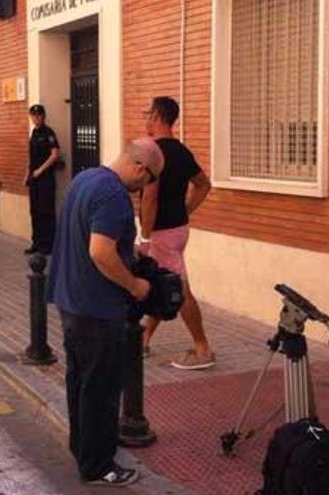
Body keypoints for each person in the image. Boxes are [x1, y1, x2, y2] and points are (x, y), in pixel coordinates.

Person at [47, 138, 163, 487]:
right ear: (141, 169)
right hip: (97, 306)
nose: (144, 189)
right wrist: (134, 285)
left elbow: (90, 238)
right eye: (148, 181)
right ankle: (98, 466)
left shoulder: (85, 179)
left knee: (80, 380)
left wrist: (130, 255)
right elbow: (100, 252)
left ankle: (82, 447)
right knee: (102, 388)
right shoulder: (114, 195)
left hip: (71, 300)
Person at [139, 96, 214, 370]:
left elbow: (150, 198)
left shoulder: (152, 152)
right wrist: (185, 210)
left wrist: (145, 236)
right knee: (165, 281)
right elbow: (204, 184)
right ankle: (144, 338)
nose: (146, 119)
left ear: (157, 116)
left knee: (178, 288)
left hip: (161, 232)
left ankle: (202, 348)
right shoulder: (181, 150)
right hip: (178, 229)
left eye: (148, 114)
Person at [24, 104, 60, 255]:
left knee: (46, 211)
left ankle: (48, 245)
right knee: (35, 211)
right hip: (34, 178)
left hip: (45, 178)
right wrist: (27, 174)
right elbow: (31, 157)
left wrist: (40, 170)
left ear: (44, 116)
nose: (36, 118)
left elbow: (55, 154)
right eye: (34, 115)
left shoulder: (48, 133)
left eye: (39, 115)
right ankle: (36, 243)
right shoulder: (33, 133)